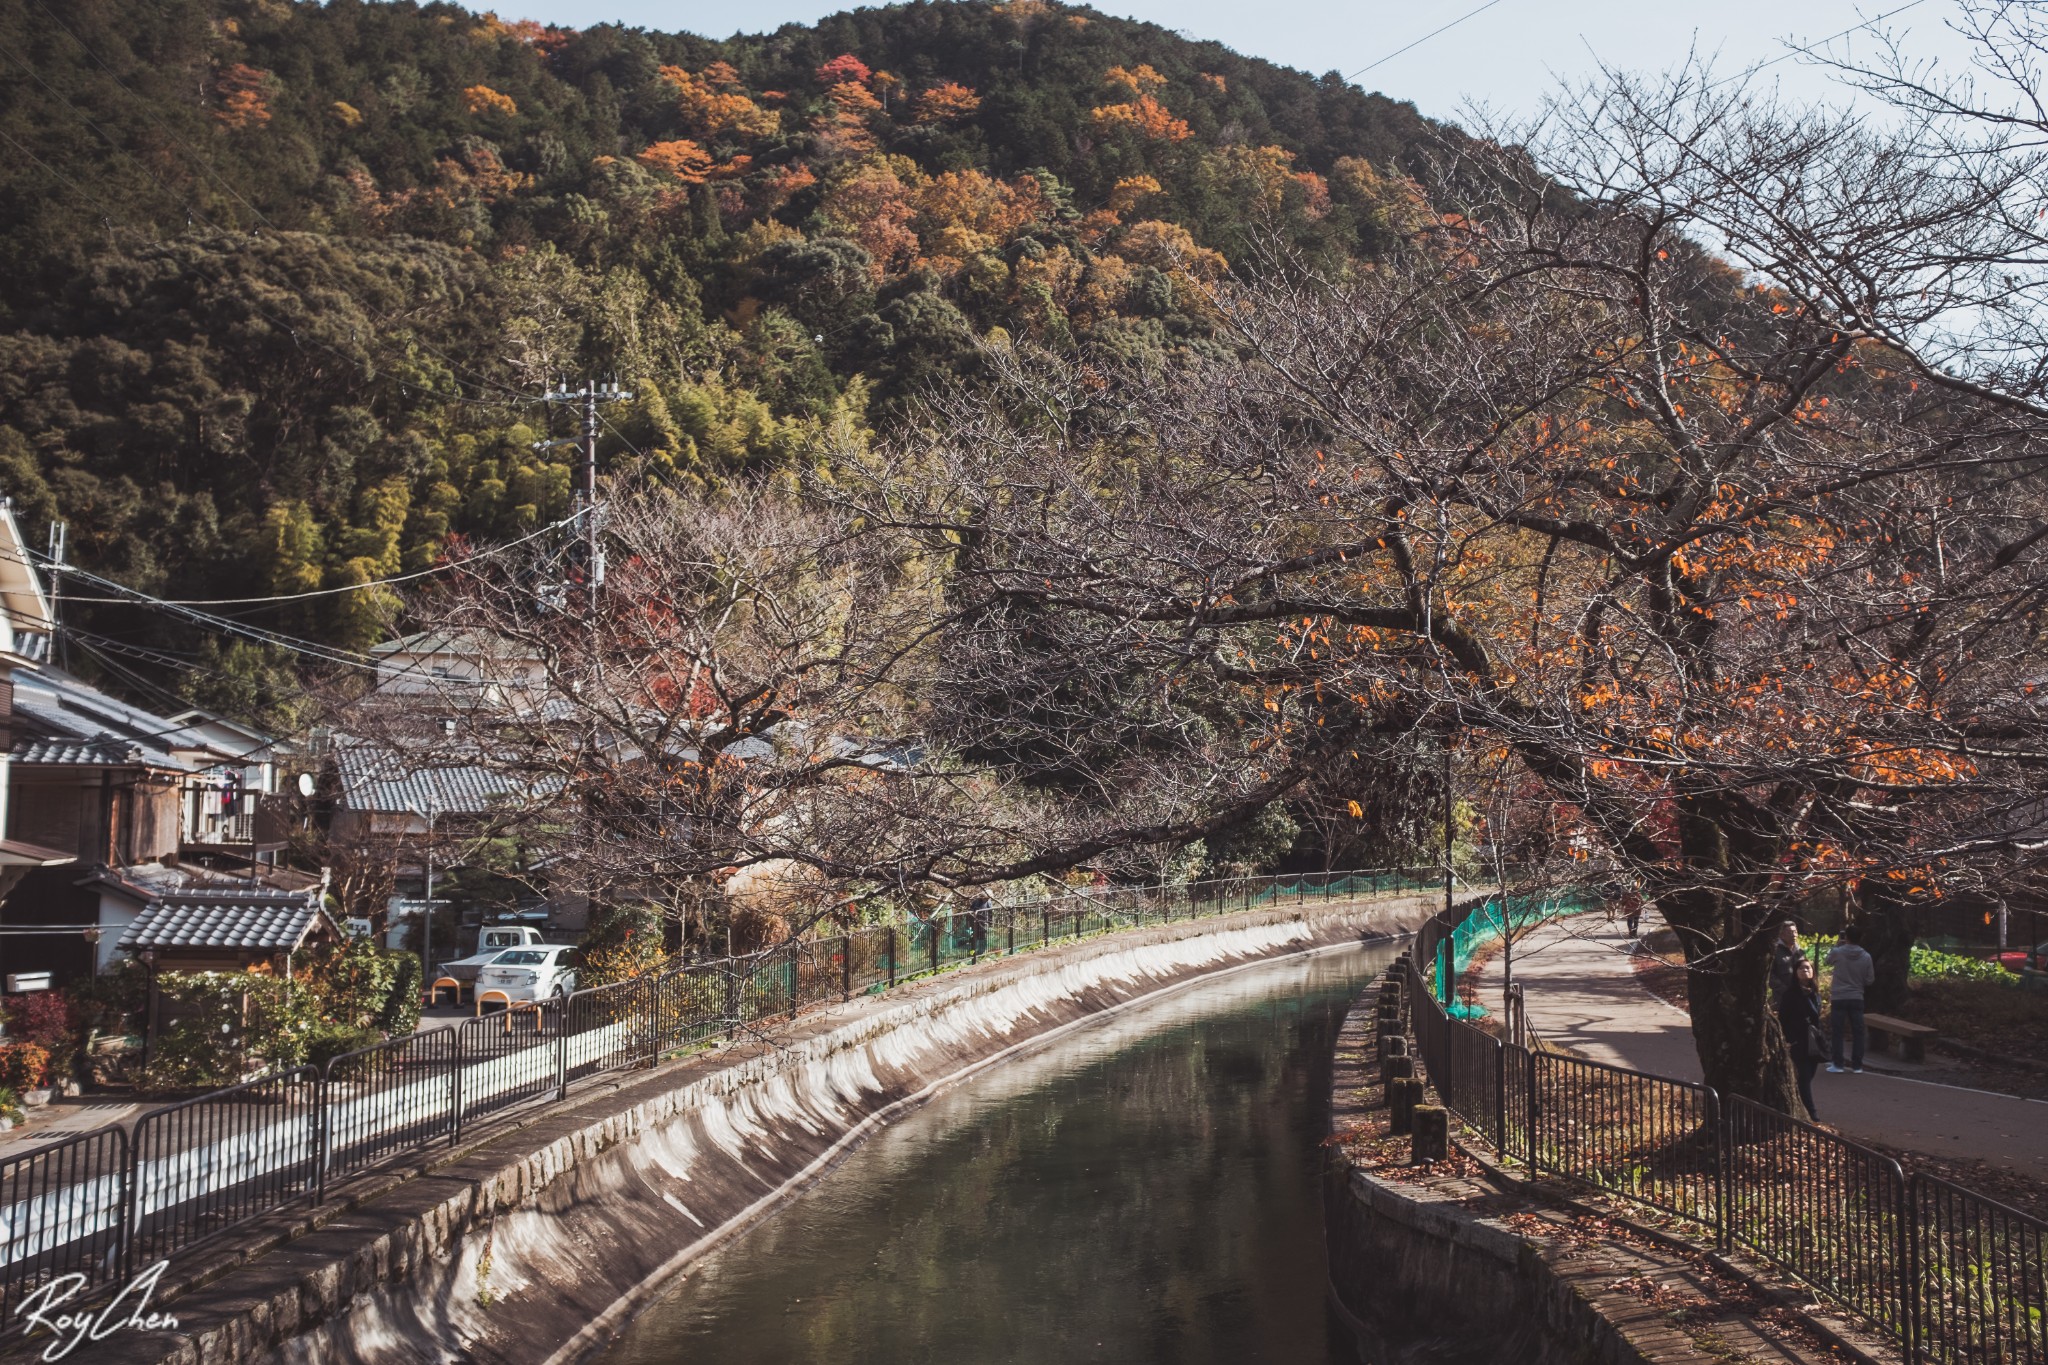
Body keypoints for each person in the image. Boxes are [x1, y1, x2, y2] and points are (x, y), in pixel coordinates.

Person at [1777, 956, 1826, 1120]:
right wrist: (1788, 1040)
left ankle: (1800, 1107)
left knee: (1809, 1076)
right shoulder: (1790, 995)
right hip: (1798, 1041)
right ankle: (1812, 1115)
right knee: (1804, 1078)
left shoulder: (1815, 994)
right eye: (1801, 968)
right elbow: (1783, 1018)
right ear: (1795, 973)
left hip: (1813, 1042)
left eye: (1808, 968)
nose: (1805, 971)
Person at [1826, 925, 1875, 1074]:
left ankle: (1837, 1063)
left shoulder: (1837, 953)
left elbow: (1826, 961)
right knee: (1858, 1032)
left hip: (1839, 996)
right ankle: (1857, 1065)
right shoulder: (1866, 956)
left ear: (1846, 937)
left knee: (1837, 1031)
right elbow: (1870, 980)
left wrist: (1837, 945)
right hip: (1857, 997)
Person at [1768, 921, 1802, 1003]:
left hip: (1801, 996)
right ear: (1781, 934)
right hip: (1782, 998)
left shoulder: (1800, 952)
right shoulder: (1775, 952)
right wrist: (1785, 989)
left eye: (1795, 932)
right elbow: (1770, 975)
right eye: (1789, 932)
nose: (1794, 935)